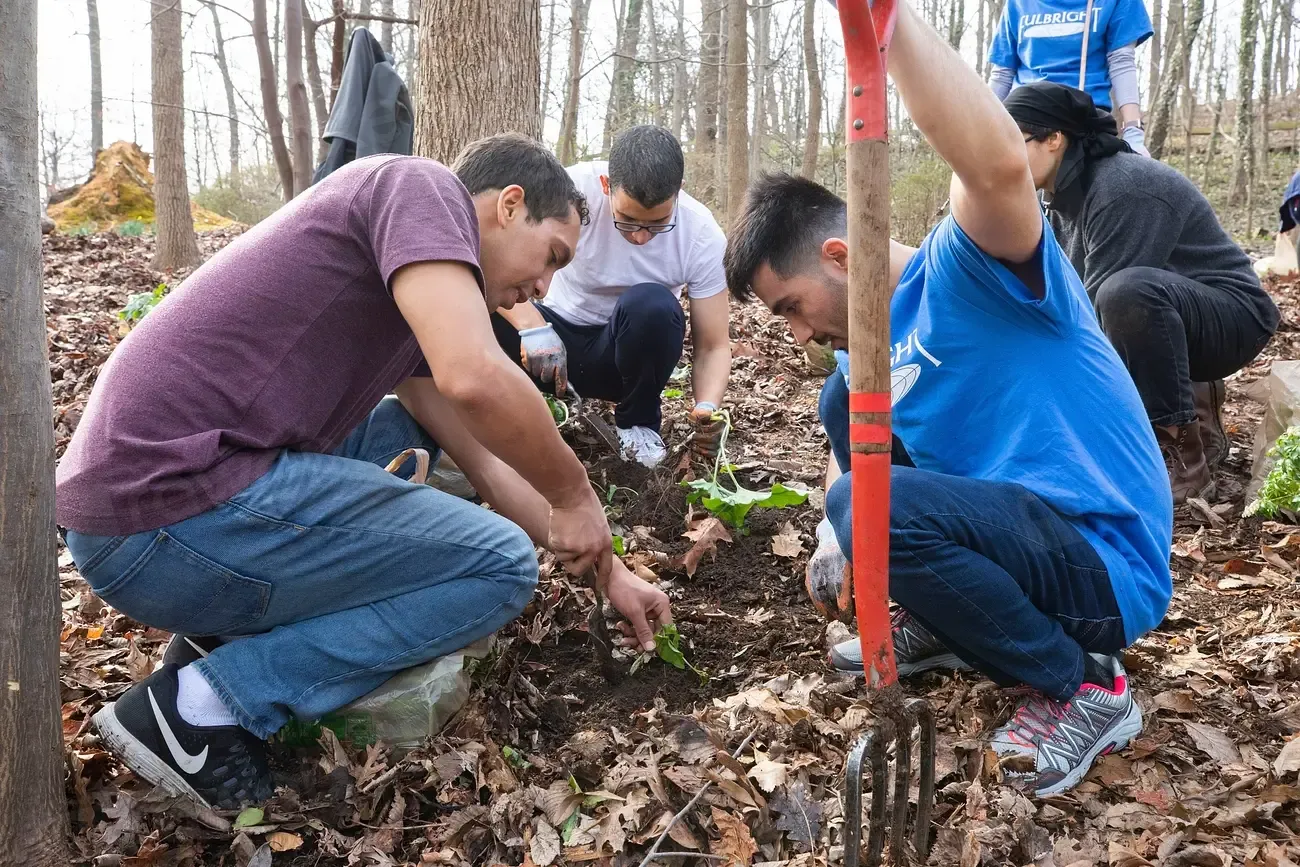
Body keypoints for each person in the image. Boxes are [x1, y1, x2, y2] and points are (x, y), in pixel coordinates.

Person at [56, 134, 673, 811]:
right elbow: (475, 378)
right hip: (161, 511)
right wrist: (575, 491)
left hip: (167, 508)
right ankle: (202, 707)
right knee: (498, 565)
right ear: (508, 205)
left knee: (409, 431)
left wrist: (609, 569)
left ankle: (220, 635)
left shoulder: (408, 307)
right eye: (551, 255)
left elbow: (489, 466)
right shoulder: (421, 188)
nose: (544, 288)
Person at [724, 0, 1172, 796]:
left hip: (1102, 561)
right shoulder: (861, 359)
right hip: (1019, 544)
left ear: (839, 255)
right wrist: (840, 546)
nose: (793, 334)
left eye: (791, 306)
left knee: (872, 505)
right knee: (847, 433)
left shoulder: (970, 264)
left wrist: (886, 22)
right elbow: (848, 456)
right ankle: (951, 617)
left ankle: (1083, 686)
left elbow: (997, 164)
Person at [1004, 82, 1280, 503]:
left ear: (1054, 138)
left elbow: (1092, 318)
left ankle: (1184, 459)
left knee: (1123, 294)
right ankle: (1198, 422)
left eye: (1013, 141)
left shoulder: (1125, 186)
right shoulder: (1059, 196)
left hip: (1234, 318)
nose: (1003, 156)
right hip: (1175, 315)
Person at [493, 125, 732, 468]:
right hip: (546, 341)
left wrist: (708, 405)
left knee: (653, 305)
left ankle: (637, 425)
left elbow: (713, 344)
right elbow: (501, 267)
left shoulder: (701, 234)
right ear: (606, 186)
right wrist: (532, 326)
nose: (640, 238)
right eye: (628, 221)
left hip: (625, 359)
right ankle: (497, 422)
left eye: (657, 224)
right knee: (482, 311)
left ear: (678, 192)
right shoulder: (568, 192)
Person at [988, 0, 1152, 155]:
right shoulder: (1017, 3)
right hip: (1025, 118)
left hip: (1084, 117)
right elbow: (1003, 73)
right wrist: (982, 128)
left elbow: (1121, 60)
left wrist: (1133, 131)